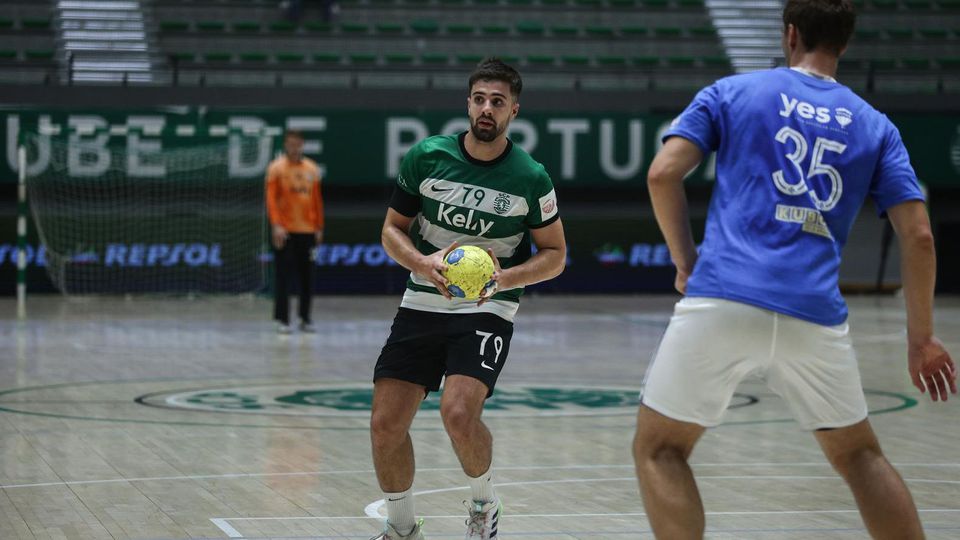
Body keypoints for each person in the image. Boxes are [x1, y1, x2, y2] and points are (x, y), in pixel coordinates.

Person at [632, 1, 957, 539]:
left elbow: (663, 174)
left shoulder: (733, 92)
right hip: (815, 317)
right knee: (860, 457)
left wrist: (687, 262)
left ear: (789, 34)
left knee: (661, 448)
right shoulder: (875, 125)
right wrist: (920, 337)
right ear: (845, 44)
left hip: (723, 299)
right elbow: (919, 236)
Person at [369, 58, 566, 540]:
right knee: (385, 424)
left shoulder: (530, 178)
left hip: (488, 306)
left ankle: (484, 503)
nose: (486, 109)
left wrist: (507, 277)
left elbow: (556, 254)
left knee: (458, 413)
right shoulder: (426, 158)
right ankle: (401, 528)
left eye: (497, 102)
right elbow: (392, 231)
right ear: (468, 103)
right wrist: (421, 263)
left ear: (513, 111)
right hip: (422, 299)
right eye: (479, 99)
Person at [265, 129, 325, 334]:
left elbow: (316, 200)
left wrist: (318, 226)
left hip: (307, 231)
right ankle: (281, 319)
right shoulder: (276, 168)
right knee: (283, 276)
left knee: (307, 276)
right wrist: (276, 225)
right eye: (290, 143)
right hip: (286, 231)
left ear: (302, 144)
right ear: (285, 144)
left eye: (297, 143)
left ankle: (305, 317)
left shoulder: (311, 168)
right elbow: (271, 200)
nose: (294, 147)